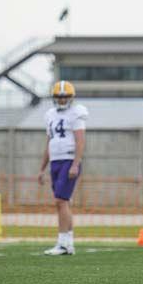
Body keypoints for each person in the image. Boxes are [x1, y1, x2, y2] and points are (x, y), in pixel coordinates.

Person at [37, 80, 88, 255]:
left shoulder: (76, 113)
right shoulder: (50, 114)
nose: (62, 100)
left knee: (60, 201)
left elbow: (80, 141)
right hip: (55, 161)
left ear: (71, 97)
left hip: (68, 160)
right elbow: (48, 142)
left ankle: (62, 243)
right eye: (59, 97)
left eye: (65, 96)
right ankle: (69, 243)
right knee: (63, 203)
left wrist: (75, 163)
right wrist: (42, 168)